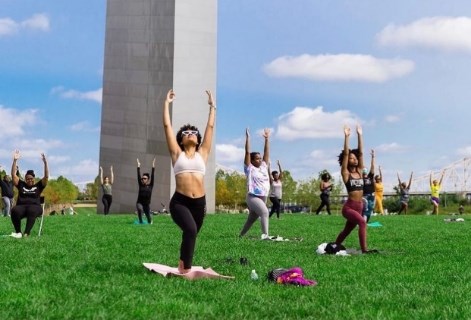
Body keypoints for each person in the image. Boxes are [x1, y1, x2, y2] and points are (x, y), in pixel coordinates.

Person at [163, 88, 216, 274]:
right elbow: (167, 128)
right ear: (181, 139)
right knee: (191, 230)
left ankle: (182, 262)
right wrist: (166, 104)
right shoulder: (177, 154)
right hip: (180, 202)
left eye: (193, 131)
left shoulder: (203, 153)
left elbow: (210, 128)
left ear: (198, 138)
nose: (190, 133)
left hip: (199, 203)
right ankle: (185, 269)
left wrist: (212, 107)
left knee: (192, 234)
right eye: (186, 132)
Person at [333, 125, 376, 254]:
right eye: (352, 158)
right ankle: (364, 250)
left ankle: (335, 246)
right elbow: (346, 153)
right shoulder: (346, 173)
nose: (355, 159)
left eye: (355, 158)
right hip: (349, 208)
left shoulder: (359, 171)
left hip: (360, 206)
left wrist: (360, 135)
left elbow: (361, 153)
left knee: (347, 230)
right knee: (362, 223)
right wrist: (346, 137)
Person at [239, 127, 271, 240]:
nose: (259, 160)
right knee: (265, 212)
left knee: (252, 218)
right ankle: (265, 236)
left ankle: (241, 236)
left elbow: (266, 152)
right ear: (252, 160)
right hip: (252, 196)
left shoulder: (263, 166)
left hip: (263, 196)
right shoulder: (249, 168)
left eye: (260, 158)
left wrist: (267, 139)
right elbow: (247, 152)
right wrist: (248, 138)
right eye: (257, 159)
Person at [10, 150, 49, 238]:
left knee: (32, 210)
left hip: (35, 207)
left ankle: (26, 233)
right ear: (25, 179)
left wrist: (45, 163)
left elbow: (46, 177)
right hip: (22, 207)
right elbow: (13, 175)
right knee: (14, 210)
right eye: (27, 179)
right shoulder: (21, 184)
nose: (29, 180)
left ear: (34, 178)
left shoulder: (38, 186)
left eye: (31, 178)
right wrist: (15, 160)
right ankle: (18, 232)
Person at [136, 157, 155, 224]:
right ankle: (140, 221)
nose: (143, 179)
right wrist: (138, 166)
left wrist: (153, 166)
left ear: (148, 179)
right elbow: (138, 175)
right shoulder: (141, 185)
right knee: (139, 209)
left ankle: (150, 219)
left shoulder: (150, 185)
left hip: (146, 204)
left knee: (149, 220)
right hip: (140, 202)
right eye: (142, 178)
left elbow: (152, 176)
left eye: (144, 178)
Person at [362, 149, 375, 222]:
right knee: (364, 208)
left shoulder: (370, 176)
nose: (364, 170)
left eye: (365, 169)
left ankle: (366, 222)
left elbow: (372, 167)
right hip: (364, 195)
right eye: (363, 169)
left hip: (372, 194)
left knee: (370, 208)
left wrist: (373, 157)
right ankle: (362, 221)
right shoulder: (360, 177)